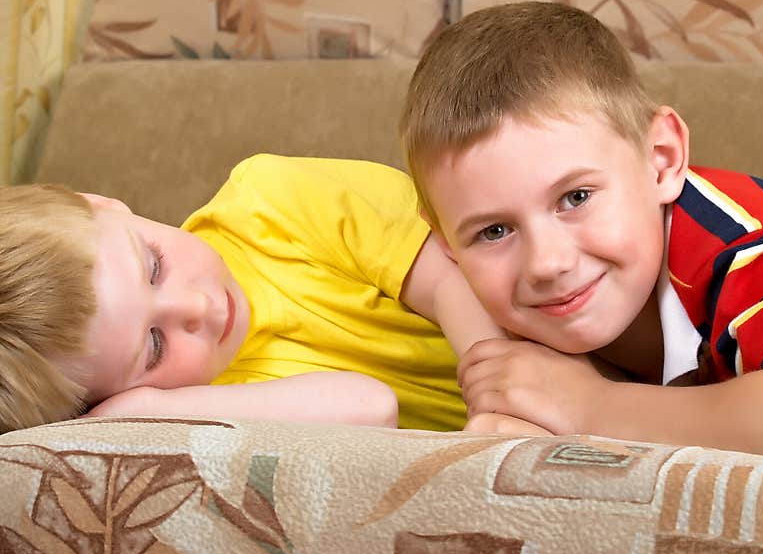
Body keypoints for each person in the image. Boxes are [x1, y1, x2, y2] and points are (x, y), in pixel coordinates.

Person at [399, 0, 763, 460]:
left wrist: (590, 405)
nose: (547, 262)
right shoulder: (528, 302)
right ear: (445, 240)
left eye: (576, 198)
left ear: (661, 161)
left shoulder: (745, 243)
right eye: (494, 231)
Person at [0, 154, 509, 434]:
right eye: (154, 347)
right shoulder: (202, 407)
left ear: (104, 205)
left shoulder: (271, 202)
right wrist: (144, 413)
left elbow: (451, 279)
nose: (198, 308)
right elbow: (371, 407)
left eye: (155, 265)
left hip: (534, 334)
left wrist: (502, 405)